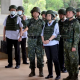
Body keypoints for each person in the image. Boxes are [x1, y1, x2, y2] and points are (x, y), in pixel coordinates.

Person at [61, 7, 80, 80]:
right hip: (65, 44)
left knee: (74, 61)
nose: (68, 13)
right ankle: (70, 75)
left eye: (69, 12)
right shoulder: (65, 22)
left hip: (72, 44)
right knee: (67, 60)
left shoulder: (76, 22)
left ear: (73, 13)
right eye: (67, 12)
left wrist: (74, 45)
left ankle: (75, 77)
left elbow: (77, 35)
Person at [41, 10, 61, 80]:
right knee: (49, 59)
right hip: (46, 44)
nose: (48, 16)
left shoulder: (55, 23)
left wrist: (48, 40)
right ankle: (50, 74)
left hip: (53, 43)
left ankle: (58, 75)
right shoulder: (45, 24)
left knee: (55, 59)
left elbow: (55, 34)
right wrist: (43, 41)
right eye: (47, 15)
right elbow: (42, 33)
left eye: (49, 15)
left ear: (52, 16)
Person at [3, 5, 23, 69]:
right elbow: (4, 28)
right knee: (9, 51)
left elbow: (21, 28)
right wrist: (4, 36)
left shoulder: (18, 18)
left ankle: (17, 64)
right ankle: (10, 64)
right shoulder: (7, 18)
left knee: (17, 51)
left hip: (16, 37)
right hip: (8, 37)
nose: (12, 11)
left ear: (16, 11)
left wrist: (20, 36)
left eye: (14, 10)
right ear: (9, 11)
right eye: (11, 10)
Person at [26, 7, 44, 77]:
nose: (35, 13)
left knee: (40, 56)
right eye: (34, 12)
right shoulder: (29, 21)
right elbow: (24, 23)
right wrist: (23, 19)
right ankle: (32, 71)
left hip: (39, 40)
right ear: (32, 13)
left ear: (39, 13)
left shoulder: (42, 21)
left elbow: (45, 31)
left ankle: (41, 71)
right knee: (31, 56)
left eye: (37, 12)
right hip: (31, 40)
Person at [58, 9, 67, 73]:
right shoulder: (58, 22)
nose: (60, 16)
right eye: (59, 14)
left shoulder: (68, 22)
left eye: (61, 14)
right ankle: (61, 67)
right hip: (60, 40)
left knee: (66, 55)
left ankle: (65, 67)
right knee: (60, 54)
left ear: (64, 15)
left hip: (66, 40)